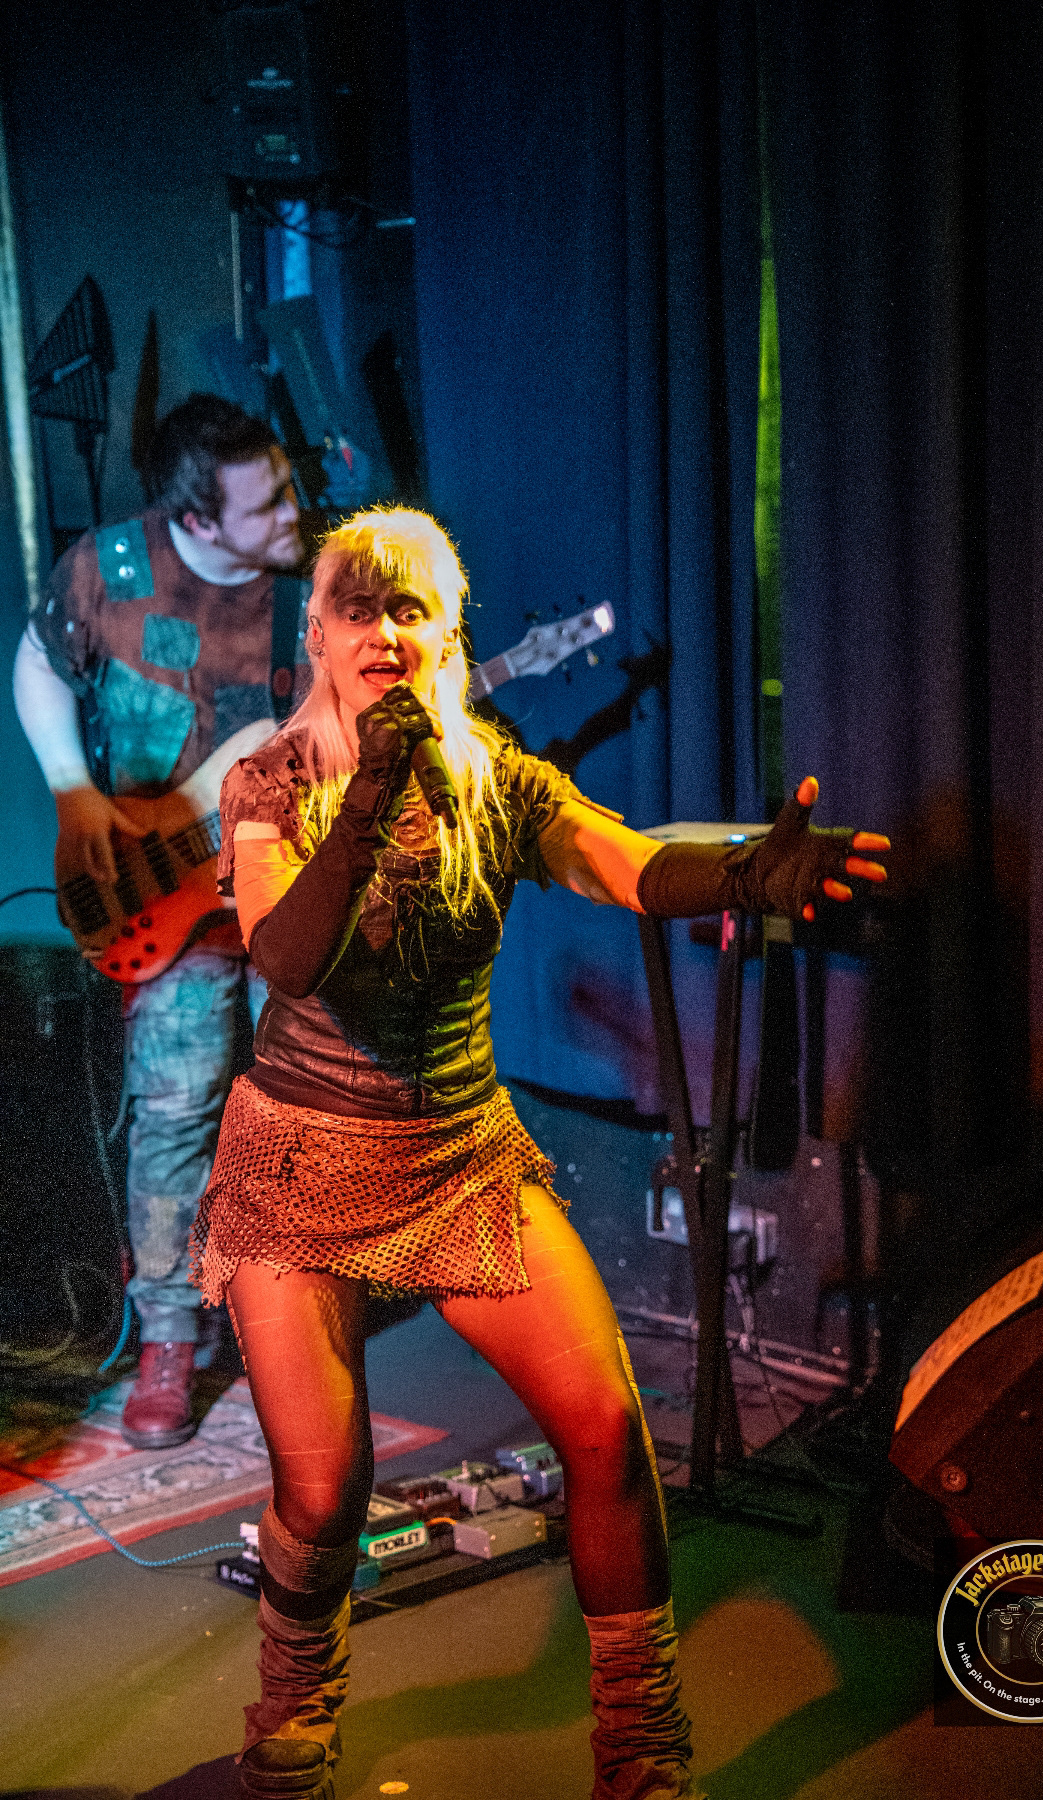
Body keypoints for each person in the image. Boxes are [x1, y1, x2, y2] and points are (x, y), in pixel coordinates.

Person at [194, 506, 889, 1800]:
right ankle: (294, 1700)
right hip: (299, 1161)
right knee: (327, 1486)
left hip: (456, 1154)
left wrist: (749, 876)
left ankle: (642, 1742)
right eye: (360, 609)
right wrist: (371, 797)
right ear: (318, 635)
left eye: (412, 610)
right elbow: (286, 957)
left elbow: (629, 866)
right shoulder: (271, 783)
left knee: (608, 1430)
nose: (386, 633)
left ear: (447, 637)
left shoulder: (496, 782)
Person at [12, 393, 306, 1448]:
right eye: (268, 503)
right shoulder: (111, 569)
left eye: (288, 487)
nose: (294, 511)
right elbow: (40, 663)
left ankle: (294, 1321)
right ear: (196, 521)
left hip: (288, 892)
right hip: (168, 900)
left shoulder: (315, 588)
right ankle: (171, 1338)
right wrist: (72, 791)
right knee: (176, 1116)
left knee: (302, 1110)